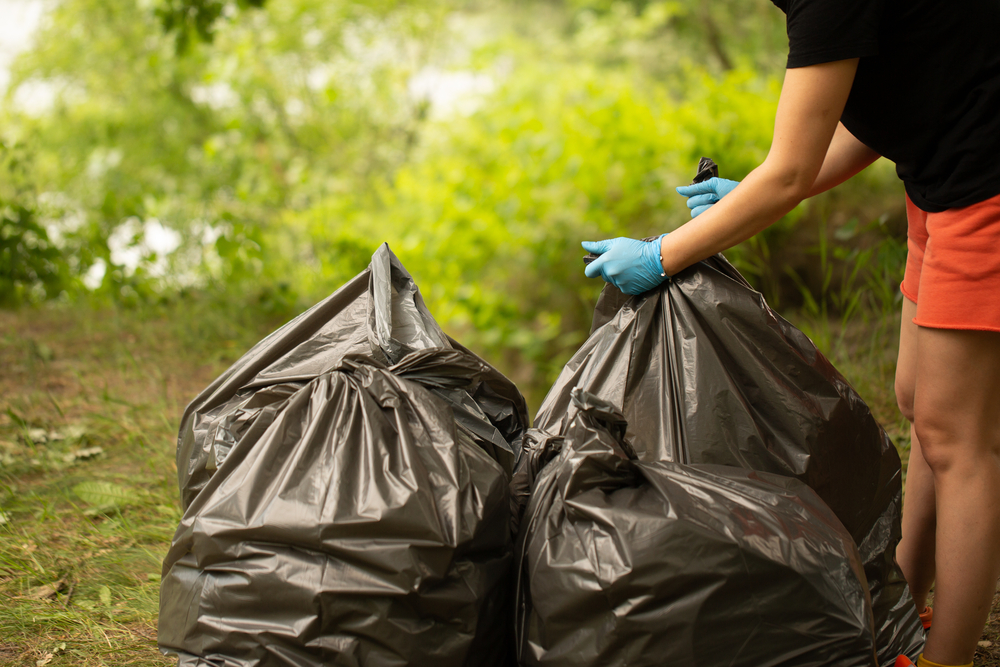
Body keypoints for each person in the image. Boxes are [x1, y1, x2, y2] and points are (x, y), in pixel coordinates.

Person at [580, 1, 1000, 666]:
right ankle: (904, 608)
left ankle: (948, 658)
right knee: (919, 403)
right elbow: (878, 113)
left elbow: (790, 172)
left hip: (983, 185)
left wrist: (662, 253)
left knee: (961, 440)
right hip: (941, 178)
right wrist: (761, 186)